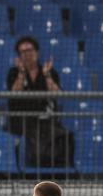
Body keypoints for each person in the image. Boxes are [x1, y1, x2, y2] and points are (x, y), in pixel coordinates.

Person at [6, 36, 74, 169]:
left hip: (46, 120)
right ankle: (37, 169)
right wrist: (21, 73)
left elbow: (57, 94)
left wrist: (47, 75)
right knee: (36, 137)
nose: (27, 55)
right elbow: (14, 93)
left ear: (37, 52)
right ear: (19, 56)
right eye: (22, 52)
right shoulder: (13, 72)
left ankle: (61, 170)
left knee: (66, 136)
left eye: (29, 50)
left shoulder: (49, 71)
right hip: (24, 121)